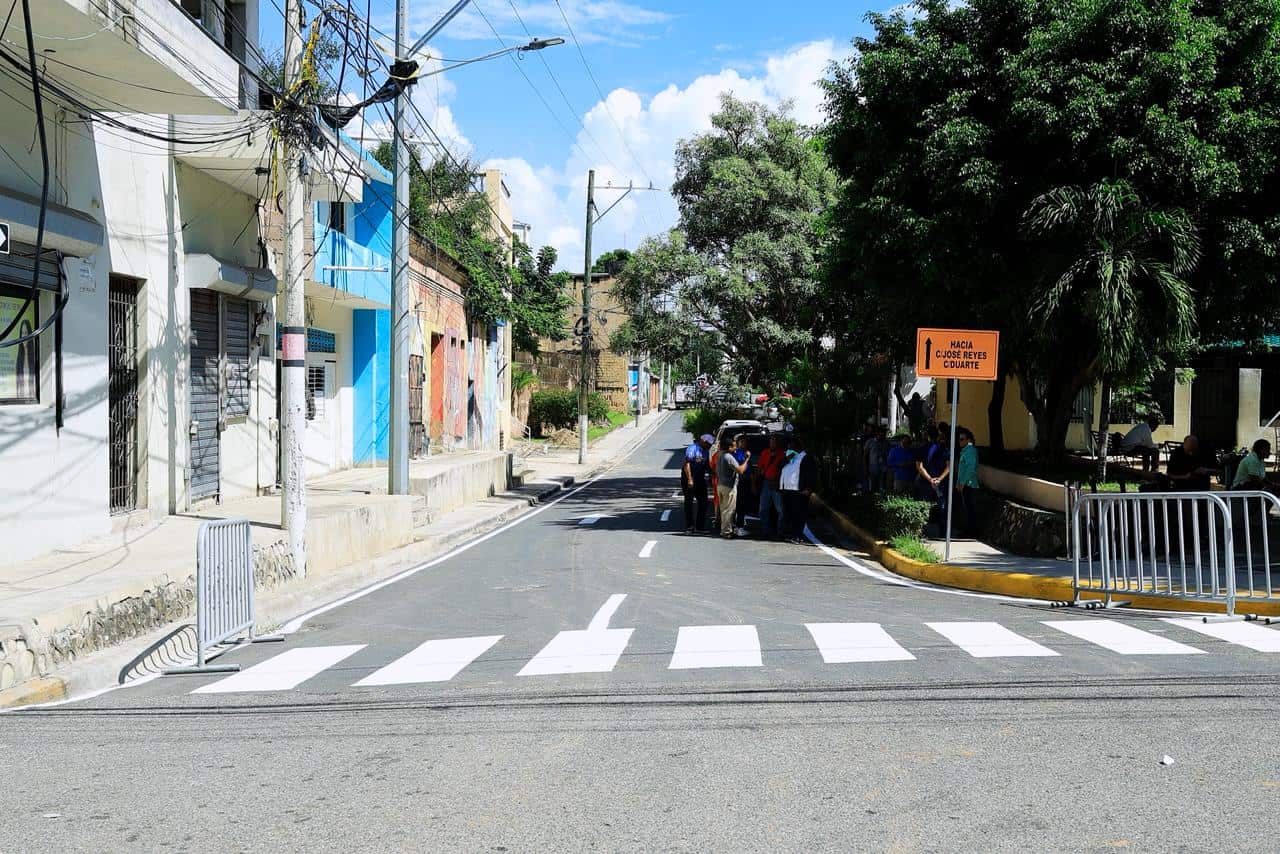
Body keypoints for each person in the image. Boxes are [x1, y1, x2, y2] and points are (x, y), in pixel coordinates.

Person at [780, 435, 818, 542]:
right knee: (789, 513)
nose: (788, 448)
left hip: (800, 491)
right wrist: (787, 459)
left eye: (790, 446)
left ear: (796, 446)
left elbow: (812, 474)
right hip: (787, 490)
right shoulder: (790, 457)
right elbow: (781, 468)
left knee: (799, 514)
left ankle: (797, 535)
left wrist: (809, 488)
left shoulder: (806, 457)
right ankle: (789, 534)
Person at [715, 436, 750, 538]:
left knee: (723, 509)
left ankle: (724, 530)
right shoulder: (728, 457)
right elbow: (740, 470)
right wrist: (746, 460)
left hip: (720, 485)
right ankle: (727, 532)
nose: (736, 448)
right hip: (729, 487)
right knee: (729, 510)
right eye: (734, 446)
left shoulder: (719, 455)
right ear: (729, 447)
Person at [756, 433, 787, 539]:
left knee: (780, 510)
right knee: (763, 509)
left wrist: (779, 482)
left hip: (777, 483)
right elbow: (759, 468)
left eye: (774, 442)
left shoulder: (782, 454)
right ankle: (765, 531)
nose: (773, 443)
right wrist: (756, 482)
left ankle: (780, 532)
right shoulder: (765, 453)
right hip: (766, 483)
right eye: (771, 441)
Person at [682, 433, 713, 534]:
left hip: (700, 478)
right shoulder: (692, 449)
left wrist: (712, 475)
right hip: (690, 478)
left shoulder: (706, 450)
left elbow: (706, 465)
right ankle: (689, 526)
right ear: (702, 441)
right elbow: (687, 464)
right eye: (708, 443)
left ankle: (700, 527)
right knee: (689, 502)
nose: (709, 445)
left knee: (704, 502)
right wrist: (690, 479)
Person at [953, 428, 980, 535]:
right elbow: (962, 469)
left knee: (970, 509)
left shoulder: (970, 451)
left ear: (968, 440)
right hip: (965, 484)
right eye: (959, 439)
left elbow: (970, 468)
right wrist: (958, 483)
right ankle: (968, 530)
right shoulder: (965, 450)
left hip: (969, 485)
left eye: (962, 439)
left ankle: (971, 531)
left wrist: (962, 483)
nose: (959, 441)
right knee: (967, 508)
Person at [917, 427, 950, 511]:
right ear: (938, 436)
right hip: (940, 483)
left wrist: (930, 479)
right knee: (941, 509)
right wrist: (939, 479)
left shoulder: (921, 449)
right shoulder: (945, 449)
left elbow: (919, 467)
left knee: (925, 510)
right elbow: (949, 467)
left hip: (926, 483)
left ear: (928, 436)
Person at [732, 434, 751, 536]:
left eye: (745, 442)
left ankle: (739, 524)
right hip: (739, 481)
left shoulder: (746, 452)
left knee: (743, 504)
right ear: (738, 443)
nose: (744, 443)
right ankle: (738, 527)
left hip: (746, 481)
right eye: (742, 442)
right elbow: (739, 467)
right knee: (739, 504)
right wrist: (746, 458)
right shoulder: (737, 453)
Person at [863, 426, 887, 494]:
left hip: (883, 467)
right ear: (878, 434)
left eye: (884, 434)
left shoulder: (885, 443)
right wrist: (865, 466)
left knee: (882, 485)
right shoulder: (870, 441)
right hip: (873, 467)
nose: (884, 435)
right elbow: (865, 455)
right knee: (873, 485)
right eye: (882, 433)